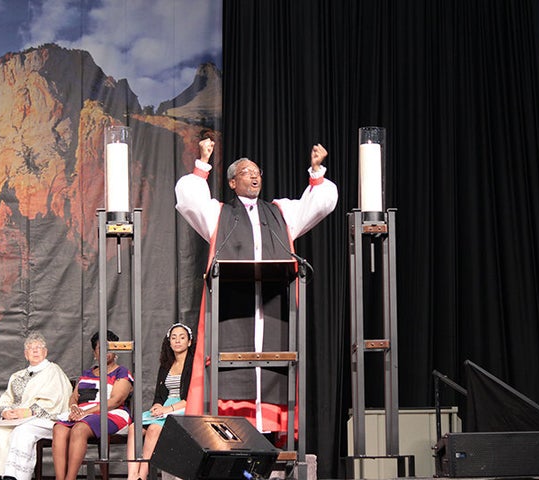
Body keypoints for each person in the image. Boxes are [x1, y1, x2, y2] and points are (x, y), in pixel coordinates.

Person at [175, 137, 338, 435]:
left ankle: (270, 433)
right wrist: (202, 165)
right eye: (247, 172)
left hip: (273, 307)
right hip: (232, 312)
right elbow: (188, 201)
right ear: (233, 182)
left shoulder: (281, 213)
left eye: (258, 172)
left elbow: (321, 204)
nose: (255, 175)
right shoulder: (218, 214)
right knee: (232, 368)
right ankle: (233, 431)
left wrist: (316, 173)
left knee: (272, 365)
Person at [0, 332, 72, 480]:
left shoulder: (53, 371)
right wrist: (7, 412)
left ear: (45, 352)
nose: (34, 350)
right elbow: (8, 399)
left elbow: (56, 399)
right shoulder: (17, 376)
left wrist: (29, 412)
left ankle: (15, 476)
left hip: (46, 419)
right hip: (18, 418)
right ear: (26, 355)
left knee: (22, 431)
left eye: (38, 347)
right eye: (30, 348)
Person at [52, 330, 134, 480]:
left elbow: (115, 400)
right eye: (100, 349)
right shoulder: (87, 373)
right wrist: (74, 408)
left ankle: (70, 478)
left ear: (116, 351)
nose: (105, 352)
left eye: (110, 348)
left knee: (80, 428)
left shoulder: (121, 372)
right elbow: (74, 397)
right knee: (59, 428)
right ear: (94, 353)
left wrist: (86, 412)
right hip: (83, 413)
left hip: (111, 413)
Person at [126, 323, 194, 480]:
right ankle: (132, 475)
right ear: (169, 342)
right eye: (174, 337)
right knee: (134, 428)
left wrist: (167, 409)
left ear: (189, 342)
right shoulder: (166, 365)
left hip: (183, 406)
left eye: (182, 337)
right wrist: (157, 406)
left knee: (154, 429)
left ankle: (141, 476)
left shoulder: (193, 364)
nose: (177, 341)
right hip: (166, 406)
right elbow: (159, 395)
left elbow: (190, 398)